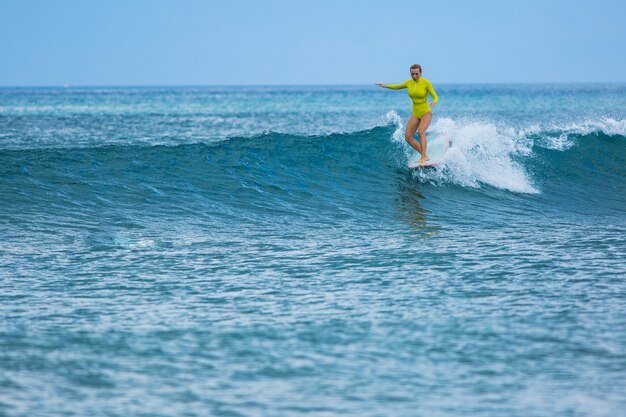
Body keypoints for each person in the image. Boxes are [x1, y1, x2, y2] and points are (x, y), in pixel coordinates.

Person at [376, 64, 439, 165]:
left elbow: (435, 96)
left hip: (425, 112)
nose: (414, 76)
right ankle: (425, 154)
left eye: (416, 74)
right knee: (408, 137)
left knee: (421, 132)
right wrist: (385, 86)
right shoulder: (409, 83)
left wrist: (434, 102)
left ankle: (423, 158)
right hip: (415, 113)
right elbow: (397, 86)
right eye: (412, 74)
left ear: (420, 73)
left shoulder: (426, 83)